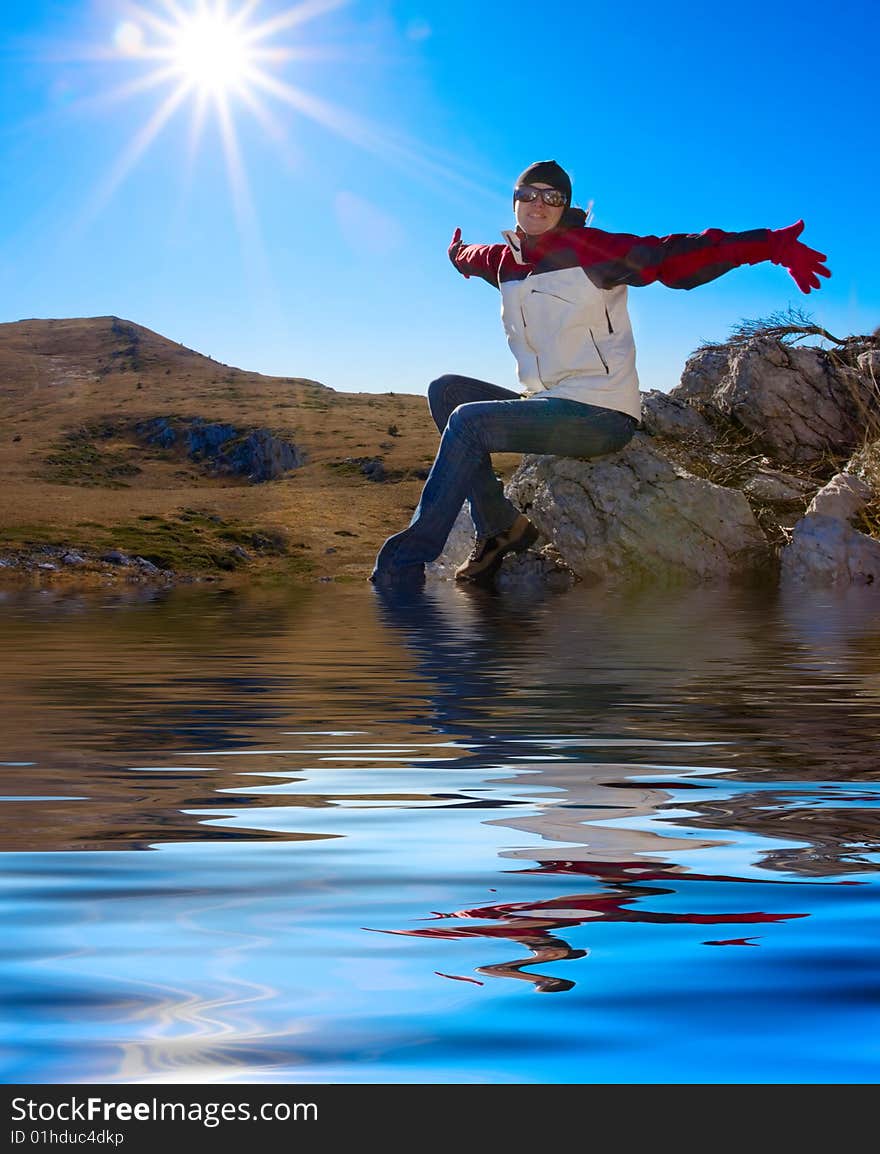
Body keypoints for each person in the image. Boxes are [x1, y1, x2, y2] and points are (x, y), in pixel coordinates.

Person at [370, 160, 830, 589]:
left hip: (599, 414)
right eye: (529, 193)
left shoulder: (591, 251)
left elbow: (673, 255)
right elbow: (468, 256)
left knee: (469, 422)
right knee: (446, 391)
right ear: (514, 199)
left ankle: (403, 567)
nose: (538, 204)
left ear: (564, 208)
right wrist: (455, 252)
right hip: (547, 403)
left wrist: (768, 246)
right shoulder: (503, 261)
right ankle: (499, 528)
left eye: (552, 198)